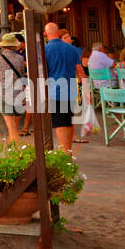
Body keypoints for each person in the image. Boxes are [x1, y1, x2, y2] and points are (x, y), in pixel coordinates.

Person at [44, 22, 85, 152]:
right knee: (67, 121)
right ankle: (68, 151)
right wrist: (87, 91)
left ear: (46, 34)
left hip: (55, 90)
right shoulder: (72, 49)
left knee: (60, 124)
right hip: (70, 89)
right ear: (57, 32)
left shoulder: (44, 49)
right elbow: (80, 71)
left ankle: (64, 153)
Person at [0, 33, 27, 142]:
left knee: (10, 124)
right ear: (14, 45)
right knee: (15, 124)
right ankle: (12, 145)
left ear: (3, 45)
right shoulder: (20, 58)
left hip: (5, 93)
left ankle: (17, 147)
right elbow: (22, 73)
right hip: (19, 93)